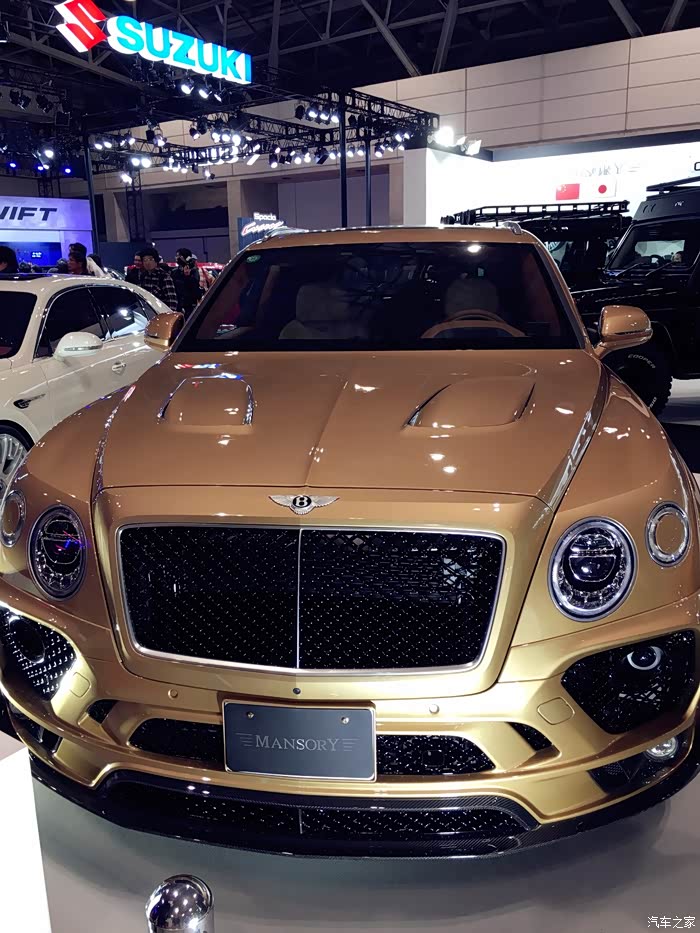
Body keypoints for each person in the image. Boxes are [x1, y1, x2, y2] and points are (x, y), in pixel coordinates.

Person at [172, 253, 204, 318]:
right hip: (179, 306)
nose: (176, 258)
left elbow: (195, 290)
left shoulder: (194, 272)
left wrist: (188, 276)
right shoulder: (175, 272)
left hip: (189, 306)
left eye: (178, 256)